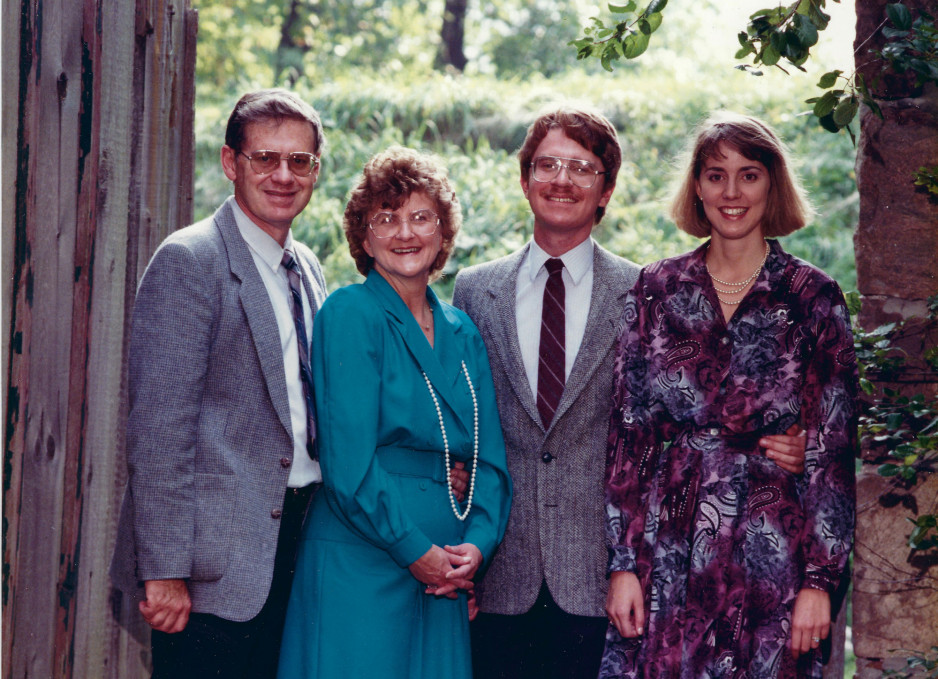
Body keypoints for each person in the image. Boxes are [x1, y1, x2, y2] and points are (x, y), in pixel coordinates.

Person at [453, 105, 810, 679]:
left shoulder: (645, 290)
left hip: (608, 578)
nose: (562, 181)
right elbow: (456, 424)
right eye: (547, 165)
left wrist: (797, 441)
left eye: (582, 168)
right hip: (500, 574)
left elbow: (683, 411)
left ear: (607, 190)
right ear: (524, 180)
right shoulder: (473, 291)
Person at [601, 111, 858, 678]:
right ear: (697, 186)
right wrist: (623, 564)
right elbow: (629, 437)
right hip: (669, 549)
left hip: (775, 553)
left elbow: (833, 453)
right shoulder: (656, 289)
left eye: (749, 174)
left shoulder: (812, 297)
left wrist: (820, 580)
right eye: (716, 175)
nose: (732, 192)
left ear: (773, 184)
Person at [109, 89, 328, 678]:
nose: (283, 175)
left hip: (296, 543)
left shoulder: (306, 266)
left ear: (315, 170)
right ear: (231, 163)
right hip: (209, 568)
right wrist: (163, 570)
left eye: (299, 161)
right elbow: (158, 432)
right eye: (265, 159)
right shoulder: (190, 260)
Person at [276, 146, 512, 679]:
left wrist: (476, 546)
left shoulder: (463, 330)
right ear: (365, 238)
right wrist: (415, 550)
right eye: (387, 218)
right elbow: (349, 464)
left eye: (420, 217)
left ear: (443, 234)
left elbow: (490, 462)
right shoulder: (350, 313)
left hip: (446, 570)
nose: (405, 232)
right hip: (365, 556)